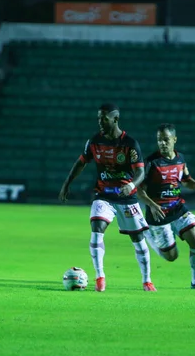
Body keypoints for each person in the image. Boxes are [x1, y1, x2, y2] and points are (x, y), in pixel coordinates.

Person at [58, 104, 156, 292]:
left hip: (127, 198)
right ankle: (100, 277)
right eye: (98, 118)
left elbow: (140, 172)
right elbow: (81, 163)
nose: (100, 122)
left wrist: (131, 185)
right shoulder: (94, 141)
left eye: (104, 118)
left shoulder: (130, 144)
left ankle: (147, 280)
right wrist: (66, 183)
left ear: (115, 119)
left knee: (138, 239)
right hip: (103, 195)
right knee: (96, 230)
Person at [136, 123, 195, 290]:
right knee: (172, 257)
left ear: (174, 139)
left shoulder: (180, 159)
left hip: (177, 208)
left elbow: (186, 181)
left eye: (166, 139)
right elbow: (139, 191)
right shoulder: (151, 163)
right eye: (159, 140)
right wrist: (152, 205)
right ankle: (149, 234)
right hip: (158, 214)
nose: (162, 143)